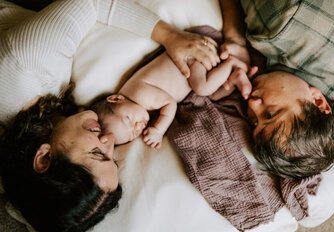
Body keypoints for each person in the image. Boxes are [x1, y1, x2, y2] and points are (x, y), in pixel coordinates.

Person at [0, 0, 219, 232]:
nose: (109, 139)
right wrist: (48, 228)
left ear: (44, 156)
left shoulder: (29, 62)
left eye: (97, 153)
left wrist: (171, 38)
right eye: (111, 157)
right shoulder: (12, 167)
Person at [216, 0, 334, 180]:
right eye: (271, 114)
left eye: (255, 123)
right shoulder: (280, 24)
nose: (252, 104)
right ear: (318, 100)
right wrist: (235, 38)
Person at [91, 27, 255, 149]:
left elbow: (170, 104)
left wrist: (158, 129)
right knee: (215, 95)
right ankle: (235, 78)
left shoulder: (137, 94)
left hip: (191, 58)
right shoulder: (137, 105)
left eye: (129, 120)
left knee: (203, 88)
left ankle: (232, 63)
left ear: (116, 99)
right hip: (193, 72)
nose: (138, 126)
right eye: (132, 134)